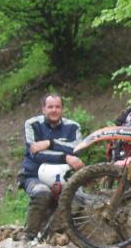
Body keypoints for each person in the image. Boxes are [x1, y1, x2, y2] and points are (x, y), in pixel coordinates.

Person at [18, 94, 84, 239]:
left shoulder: (73, 127)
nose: (54, 110)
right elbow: (35, 153)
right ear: (43, 109)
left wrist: (50, 143)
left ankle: (51, 233)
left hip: (64, 175)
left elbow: (77, 148)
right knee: (42, 193)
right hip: (33, 175)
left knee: (79, 198)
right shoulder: (32, 124)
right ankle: (29, 236)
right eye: (50, 107)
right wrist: (65, 156)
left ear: (62, 109)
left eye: (57, 107)